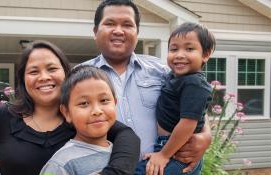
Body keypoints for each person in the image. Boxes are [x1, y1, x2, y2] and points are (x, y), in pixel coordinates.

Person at [82, 0, 212, 173]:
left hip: (163, 163)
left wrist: (206, 136)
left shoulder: (164, 70)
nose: (119, 31)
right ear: (95, 31)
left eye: (127, 24)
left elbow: (193, 106)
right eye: (110, 23)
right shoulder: (79, 78)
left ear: (137, 32)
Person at [0, 40, 140, 175]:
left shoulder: (83, 120)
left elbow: (128, 136)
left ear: (66, 73)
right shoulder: (0, 118)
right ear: (23, 79)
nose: (44, 77)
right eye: (33, 71)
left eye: (52, 69)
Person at [137, 22, 215, 175]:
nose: (179, 54)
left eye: (189, 49)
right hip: (169, 147)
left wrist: (164, 154)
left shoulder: (195, 83)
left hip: (177, 151)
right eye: (173, 49)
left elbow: (188, 123)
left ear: (205, 54)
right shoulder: (174, 76)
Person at [40, 65, 117, 174]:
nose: (97, 110)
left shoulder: (120, 152)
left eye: (104, 100)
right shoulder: (61, 165)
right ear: (66, 113)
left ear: (115, 103)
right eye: (84, 103)